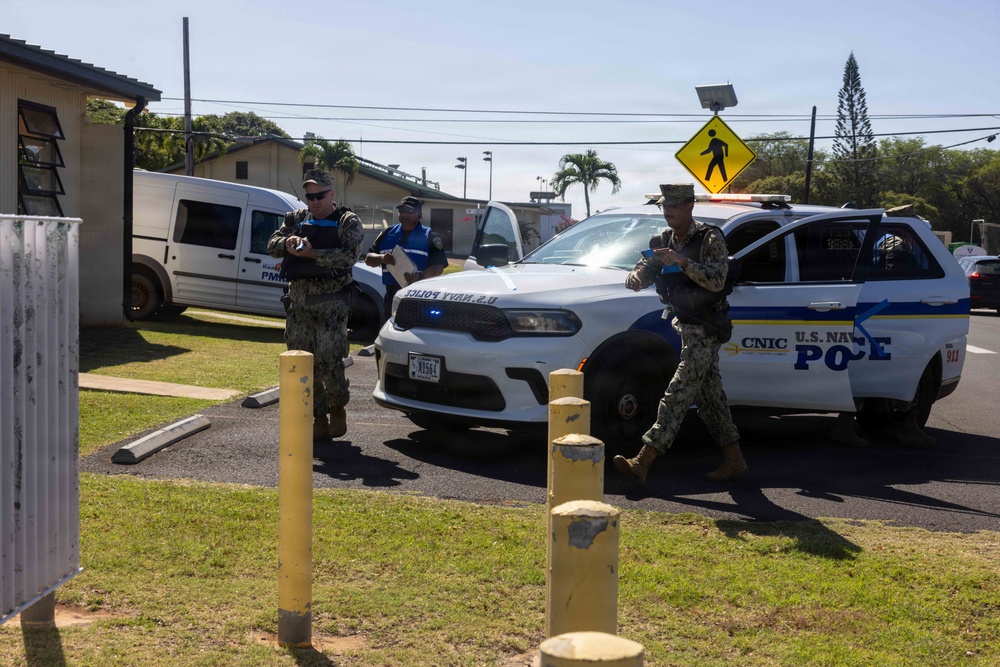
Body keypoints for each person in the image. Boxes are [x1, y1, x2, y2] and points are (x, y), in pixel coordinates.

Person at [612, 183, 748, 486]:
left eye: (673, 205)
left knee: (677, 394)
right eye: (664, 206)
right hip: (684, 325)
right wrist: (635, 278)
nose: (668, 211)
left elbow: (716, 280)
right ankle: (735, 460)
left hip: (707, 328)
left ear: (689, 206)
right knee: (711, 399)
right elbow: (640, 273)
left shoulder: (709, 238)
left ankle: (642, 461)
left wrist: (683, 261)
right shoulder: (661, 240)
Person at [267, 169, 364, 440]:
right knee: (303, 364)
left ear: (332, 194)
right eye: (310, 197)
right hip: (299, 305)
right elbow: (271, 244)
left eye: (320, 195)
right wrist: (288, 241)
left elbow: (350, 256)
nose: (315, 201)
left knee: (329, 359)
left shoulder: (347, 221)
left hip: (332, 304)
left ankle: (337, 407)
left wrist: (314, 254)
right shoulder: (296, 219)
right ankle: (318, 416)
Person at [364, 196, 448, 322]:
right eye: (402, 211)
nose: (405, 214)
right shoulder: (387, 233)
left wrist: (419, 276)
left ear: (419, 214)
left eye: (410, 211)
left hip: (418, 294)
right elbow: (368, 258)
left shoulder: (430, 235)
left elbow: (438, 267)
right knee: (390, 330)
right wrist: (382, 258)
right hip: (391, 295)